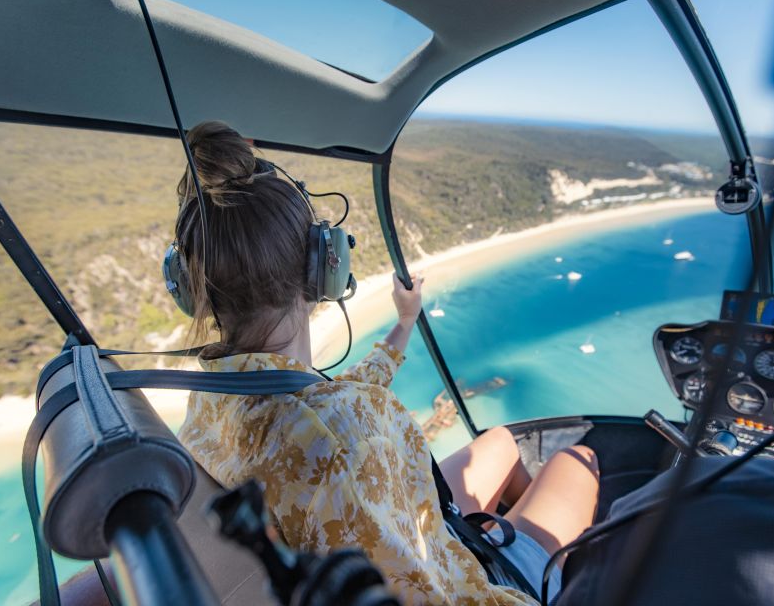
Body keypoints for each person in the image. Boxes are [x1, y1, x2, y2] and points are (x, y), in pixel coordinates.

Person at [173, 120, 600, 605]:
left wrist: (403, 324)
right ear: (325, 267)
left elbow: (329, 405)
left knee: (500, 441)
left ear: (192, 289)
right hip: (454, 579)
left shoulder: (212, 399)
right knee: (577, 462)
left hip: (412, 535)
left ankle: (517, 537)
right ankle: (539, 573)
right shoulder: (343, 435)